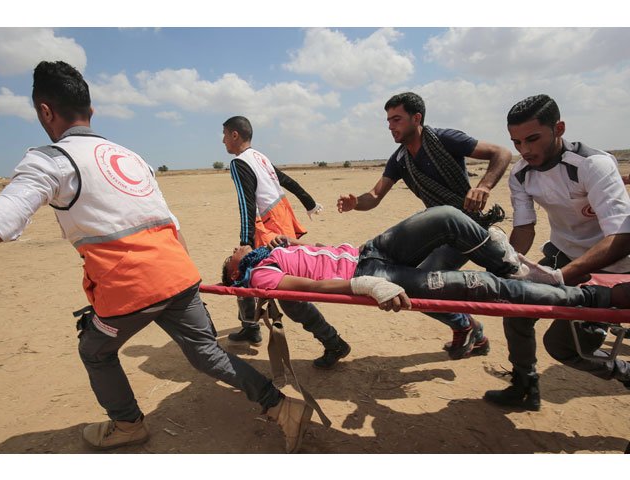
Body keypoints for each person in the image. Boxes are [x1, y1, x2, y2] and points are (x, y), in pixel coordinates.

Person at [0, 61, 313, 454]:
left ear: (44, 111)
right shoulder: (130, 157)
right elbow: (171, 223)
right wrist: (188, 284)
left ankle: (127, 425)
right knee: (206, 353)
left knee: (94, 350)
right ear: (91, 112)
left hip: (131, 288)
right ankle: (280, 406)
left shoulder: (51, 160)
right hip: (178, 272)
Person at [337, 92, 513, 360]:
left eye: (396, 119)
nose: (390, 126)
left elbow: (501, 152)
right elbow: (374, 196)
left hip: (466, 227)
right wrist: (355, 203)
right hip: (436, 231)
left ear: (416, 118)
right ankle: (472, 330)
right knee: (418, 286)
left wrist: (483, 186)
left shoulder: (445, 139)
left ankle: (467, 326)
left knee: (423, 287)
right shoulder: (399, 159)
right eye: (388, 121)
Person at [484, 94, 630, 411]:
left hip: (613, 267)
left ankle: (624, 371)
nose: (525, 150)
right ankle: (525, 386)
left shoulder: (593, 165)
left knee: (563, 346)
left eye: (533, 139)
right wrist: (504, 266)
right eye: (517, 142)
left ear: (559, 128)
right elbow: (524, 229)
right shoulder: (521, 173)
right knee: (516, 310)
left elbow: (620, 237)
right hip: (562, 256)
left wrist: (560, 278)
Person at [222, 205, 630, 315]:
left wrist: (284, 242)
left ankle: (523, 268)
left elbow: (312, 256)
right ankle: (591, 299)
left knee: (446, 216)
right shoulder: (260, 275)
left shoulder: (271, 252)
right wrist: (363, 286)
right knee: (484, 289)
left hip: (369, 250)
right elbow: (310, 287)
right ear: (235, 271)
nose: (236, 247)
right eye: (231, 254)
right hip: (369, 273)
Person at [222, 116, 350, 369]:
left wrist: (245, 244)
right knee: (251, 278)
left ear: (235, 135)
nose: (223, 139)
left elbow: (246, 204)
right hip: (281, 220)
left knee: (278, 291)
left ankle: (332, 341)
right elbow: (287, 181)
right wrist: (309, 202)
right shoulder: (260, 157)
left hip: (270, 228)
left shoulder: (239, 163)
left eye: (225, 134)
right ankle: (249, 326)